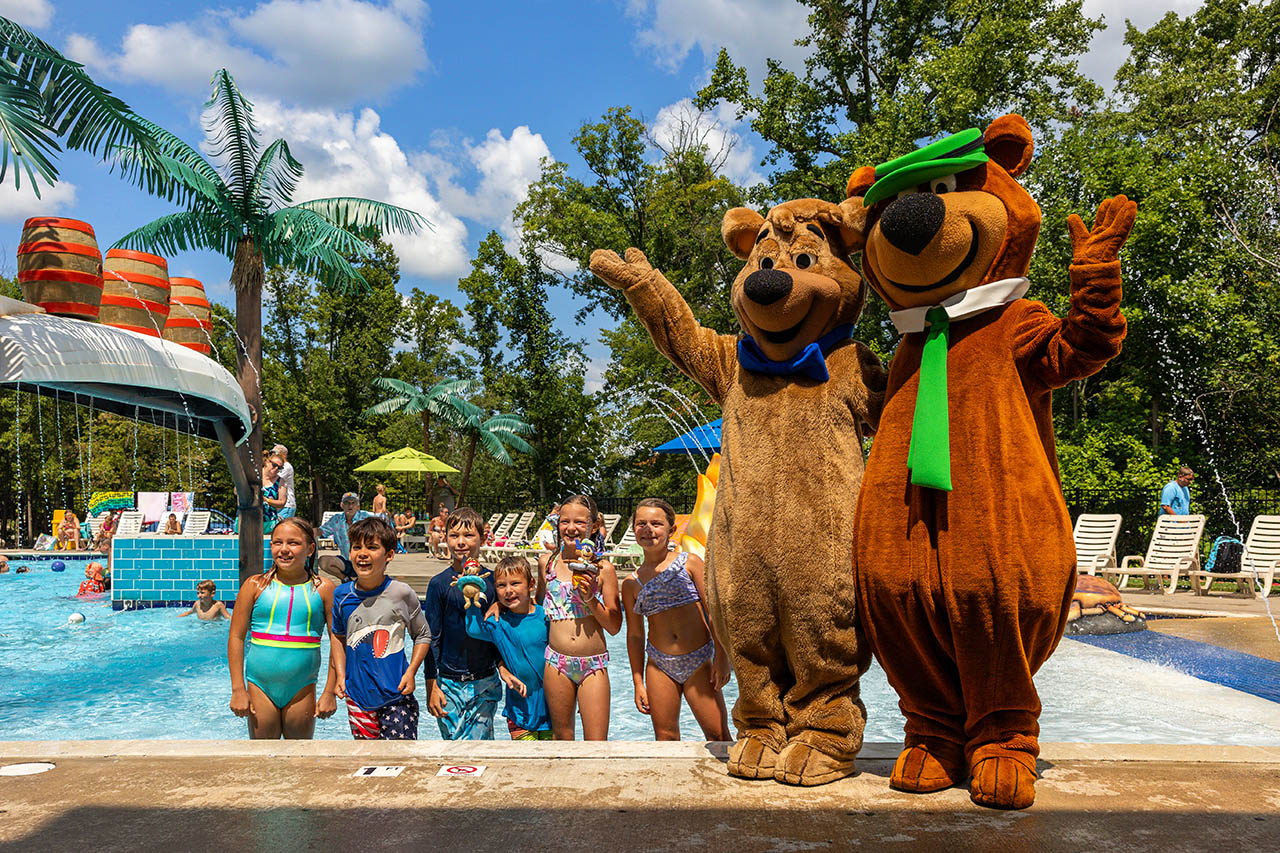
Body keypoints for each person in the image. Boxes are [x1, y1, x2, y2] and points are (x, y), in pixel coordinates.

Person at [622, 498, 731, 741]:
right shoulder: (631, 584)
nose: (648, 529)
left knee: (718, 735)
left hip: (699, 660)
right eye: (641, 524)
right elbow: (635, 635)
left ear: (671, 530)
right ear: (634, 529)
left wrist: (722, 657)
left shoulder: (689, 564)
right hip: (659, 664)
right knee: (665, 737)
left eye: (656, 524)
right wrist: (638, 682)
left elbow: (713, 612)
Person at [228, 518, 339, 739]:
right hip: (260, 685)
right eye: (277, 542)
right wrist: (238, 689)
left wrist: (329, 691)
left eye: (293, 543)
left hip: (302, 687)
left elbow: (337, 641)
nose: (284, 549)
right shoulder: (254, 586)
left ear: (310, 549)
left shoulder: (323, 589)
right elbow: (236, 637)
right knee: (263, 754)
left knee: (298, 754)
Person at [331, 517, 434, 740]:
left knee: (399, 756)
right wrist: (340, 675)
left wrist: (411, 672)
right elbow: (338, 636)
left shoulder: (401, 593)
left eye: (372, 547)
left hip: (397, 694)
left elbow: (423, 634)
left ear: (389, 554)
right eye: (356, 547)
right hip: (357, 696)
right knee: (366, 757)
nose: (362, 554)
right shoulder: (342, 595)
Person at [537, 494, 622, 740]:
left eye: (579, 522)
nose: (571, 528)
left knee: (596, 742)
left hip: (593, 665)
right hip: (556, 663)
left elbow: (614, 626)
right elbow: (535, 608)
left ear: (594, 526)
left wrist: (590, 598)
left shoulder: (603, 569)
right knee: (562, 738)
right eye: (565, 521)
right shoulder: (547, 564)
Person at [424, 507, 501, 740]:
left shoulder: (495, 582)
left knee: (478, 745)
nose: (460, 542)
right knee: (453, 746)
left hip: (485, 681)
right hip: (448, 683)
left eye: (468, 535)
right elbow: (432, 637)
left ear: (483, 539)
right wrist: (431, 685)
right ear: (445, 538)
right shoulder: (439, 584)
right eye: (454, 535)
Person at [468, 555, 552, 740]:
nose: (508, 590)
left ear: (531, 585)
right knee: (525, 756)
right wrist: (472, 601)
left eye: (515, 583)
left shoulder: (546, 617)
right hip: (519, 712)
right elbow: (473, 629)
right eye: (501, 585)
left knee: (551, 756)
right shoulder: (498, 623)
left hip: (552, 709)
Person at [318, 493, 374, 581]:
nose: (350, 506)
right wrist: (304, 531)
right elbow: (320, 531)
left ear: (358, 506)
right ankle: (346, 579)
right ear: (342, 505)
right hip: (347, 561)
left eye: (353, 503)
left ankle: (369, 580)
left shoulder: (367, 518)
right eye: (347, 503)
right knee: (324, 562)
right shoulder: (336, 520)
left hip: (366, 561)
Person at [262, 452, 288, 534]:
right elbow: (236, 491)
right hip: (248, 519)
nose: (276, 468)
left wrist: (266, 500)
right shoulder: (254, 475)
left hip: (269, 522)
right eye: (274, 465)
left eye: (279, 468)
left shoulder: (280, 481)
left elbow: (282, 502)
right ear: (267, 462)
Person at [272, 444, 297, 520]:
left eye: (275, 453)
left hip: (286, 506)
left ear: (284, 455)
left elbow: (273, 478)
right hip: (280, 507)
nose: (273, 455)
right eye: (272, 453)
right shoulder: (278, 467)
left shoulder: (286, 467)